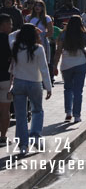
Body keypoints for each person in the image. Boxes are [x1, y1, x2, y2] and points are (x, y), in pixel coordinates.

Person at [9, 24, 52, 156]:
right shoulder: (38, 49)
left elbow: (10, 36)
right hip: (35, 83)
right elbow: (44, 69)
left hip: (19, 83)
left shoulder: (16, 46)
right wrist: (48, 87)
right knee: (37, 110)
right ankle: (35, 136)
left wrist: (20, 29)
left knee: (21, 116)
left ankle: (23, 145)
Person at [53, 15, 86, 123]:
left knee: (67, 89)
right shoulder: (84, 34)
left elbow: (58, 51)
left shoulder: (63, 34)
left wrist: (54, 66)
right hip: (80, 63)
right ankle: (77, 115)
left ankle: (68, 112)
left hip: (66, 64)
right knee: (78, 91)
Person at [26, 0, 54, 64]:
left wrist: (41, 36)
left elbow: (51, 32)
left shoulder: (47, 18)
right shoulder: (28, 17)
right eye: (36, 5)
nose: (37, 7)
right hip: (30, 40)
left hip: (42, 41)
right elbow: (25, 29)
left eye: (39, 5)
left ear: (43, 7)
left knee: (42, 60)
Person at [0, 14, 12, 146]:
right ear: (3, 25)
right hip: (5, 79)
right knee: (5, 110)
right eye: (10, 24)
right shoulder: (10, 40)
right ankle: (3, 138)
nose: (11, 26)